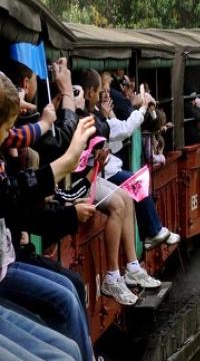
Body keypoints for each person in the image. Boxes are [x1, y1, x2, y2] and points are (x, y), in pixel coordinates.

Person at [0, 70, 97, 360]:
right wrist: (66, 160)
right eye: (5, 129)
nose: (9, 138)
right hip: (9, 262)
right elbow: (10, 194)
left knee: (67, 342)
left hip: (8, 257)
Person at [72, 69, 162, 306]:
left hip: (93, 175)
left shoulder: (93, 113)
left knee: (128, 196)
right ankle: (112, 275)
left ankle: (132, 265)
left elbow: (111, 134)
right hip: (79, 181)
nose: (103, 95)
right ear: (89, 92)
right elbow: (110, 130)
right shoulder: (78, 115)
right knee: (116, 204)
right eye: (99, 91)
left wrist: (107, 117)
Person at [94, 71, 180, 251]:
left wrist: (111, 116)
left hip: (107, 168)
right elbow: (124, 130)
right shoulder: (94, 116)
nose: (109, 93)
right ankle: (152, 232)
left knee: (135, 184)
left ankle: (151, 233)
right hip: (99, 173)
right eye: (105, 88)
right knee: (135, 183)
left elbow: (116, 143)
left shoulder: (101, 114)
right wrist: (142, 108)